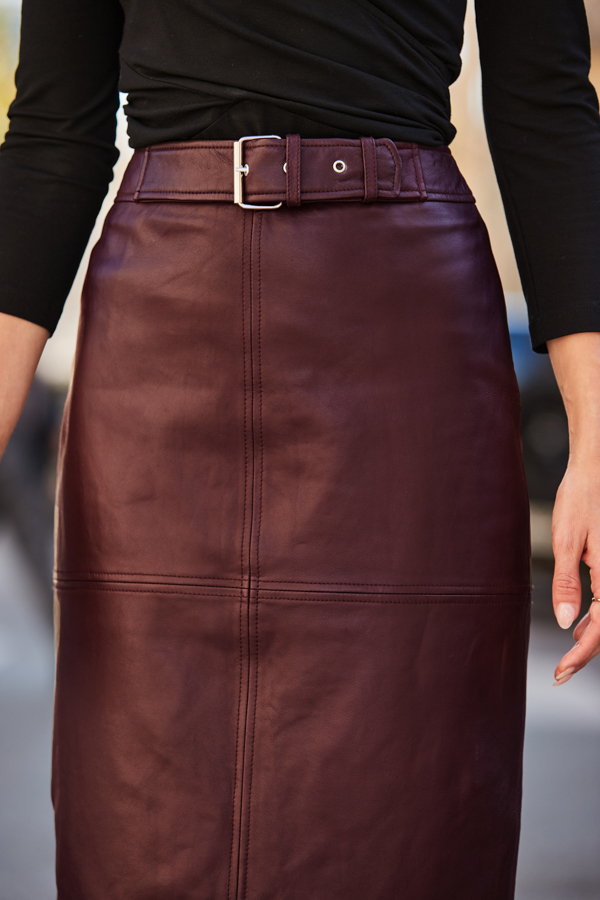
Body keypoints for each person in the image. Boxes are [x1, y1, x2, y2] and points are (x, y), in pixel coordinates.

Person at [1, 0, 600, 897]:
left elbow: (545, 106)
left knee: (412, 827)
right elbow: (53, 130)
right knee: (143, 830)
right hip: (166, 341)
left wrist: (597, 435)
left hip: (404, 355)